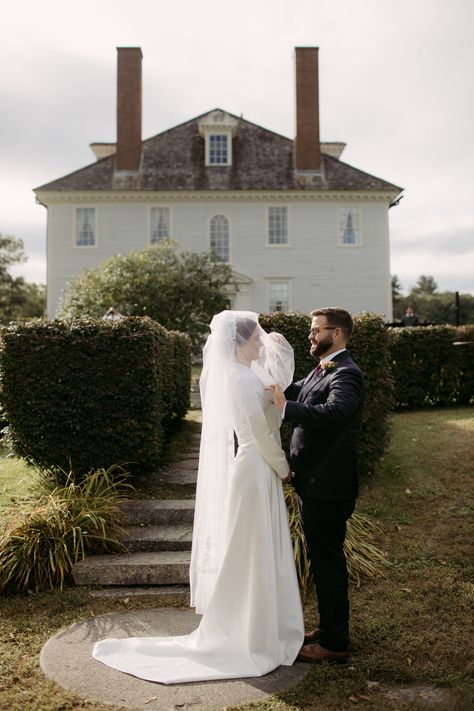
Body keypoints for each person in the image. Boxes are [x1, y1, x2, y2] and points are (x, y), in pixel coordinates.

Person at [92, 311, 304, 683]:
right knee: (251, 549)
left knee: (257, 547)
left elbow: (269, 412)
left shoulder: (249, 376)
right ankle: (249, 632)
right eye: (256, 337)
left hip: (257, 467)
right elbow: (260, 435)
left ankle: (264, 625)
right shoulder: (240, 381)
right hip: (255, 467)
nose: (262, 342)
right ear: (239, 342)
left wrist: (277, 401)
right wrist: (285, 468)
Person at [269, 307, 364, 664]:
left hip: (329, 485)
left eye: (315, 330)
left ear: (336, 333)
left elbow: (335, 414)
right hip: (315, 483)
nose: (310, 336)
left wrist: (285, 407)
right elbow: (297, 393)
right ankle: (328, 628)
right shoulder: (321, 369)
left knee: (328, 563)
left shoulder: (348, 373)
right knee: (324, 559)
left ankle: (335, 644)